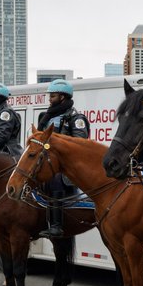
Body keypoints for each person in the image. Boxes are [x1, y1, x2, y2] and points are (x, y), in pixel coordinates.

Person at [35, 79, 90, 238]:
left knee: (56, 180)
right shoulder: (48, 117)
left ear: (63, 97)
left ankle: (56, 226)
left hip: (67, 167)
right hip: (48, 163)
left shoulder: (76, 118)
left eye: (53, 96)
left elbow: (79, 144)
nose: (49, 99)